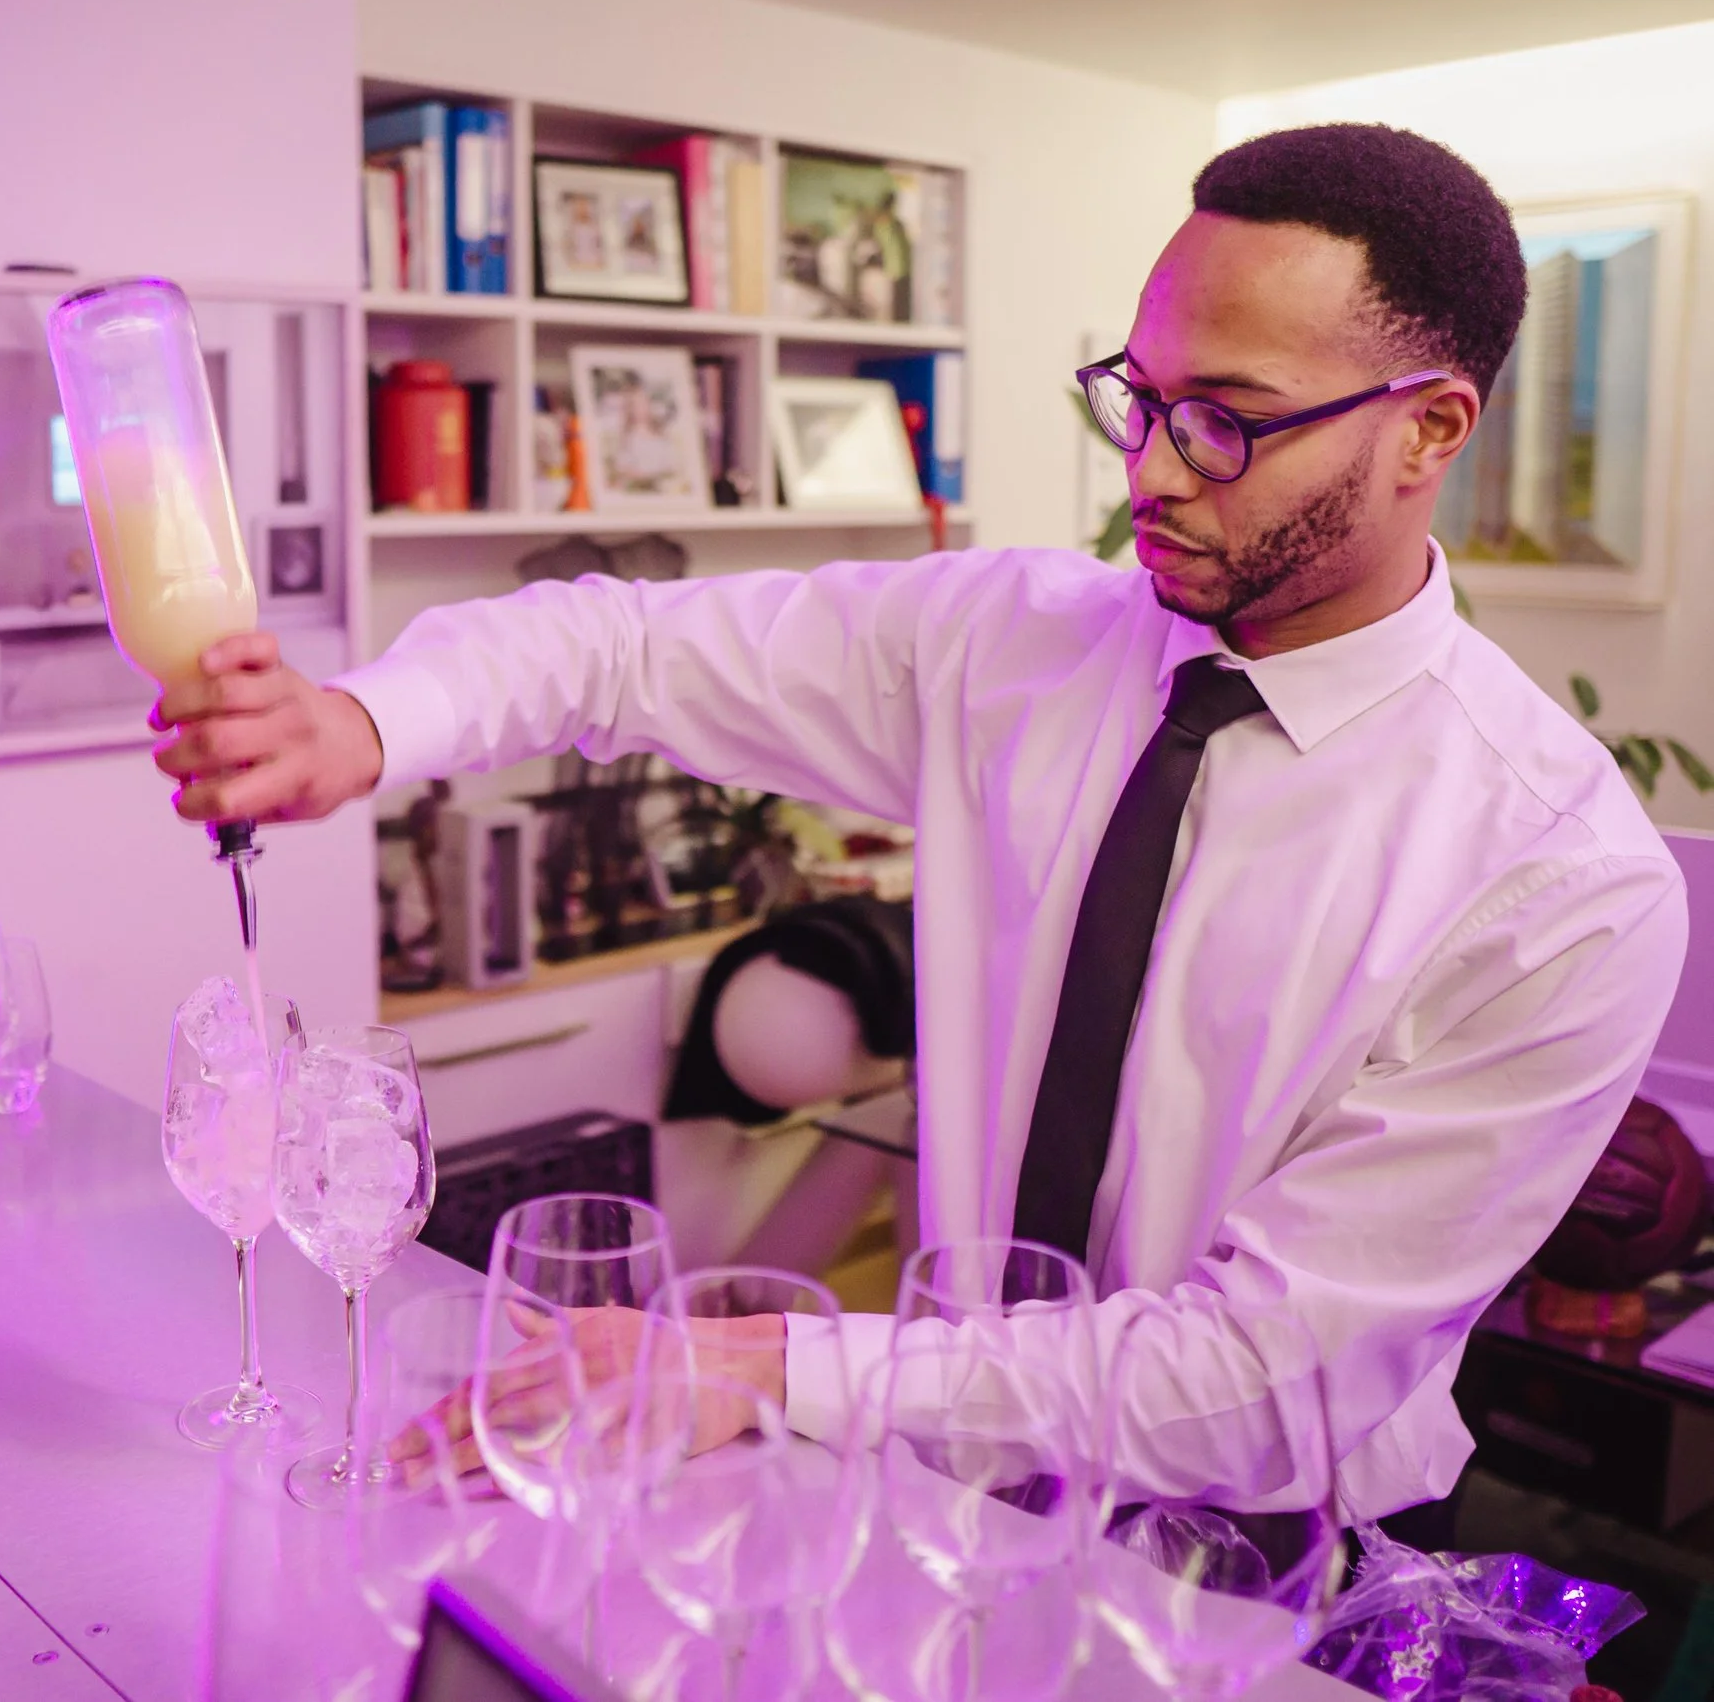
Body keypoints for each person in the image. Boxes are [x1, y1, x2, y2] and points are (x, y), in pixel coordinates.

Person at [149, 124, 1688, 1532]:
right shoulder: (1005, 644)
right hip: (946, 1495)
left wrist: (765, 1366)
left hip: (1266, 1571)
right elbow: (618, 647)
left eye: (1227, 421)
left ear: (1429, 429)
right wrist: (358, 725)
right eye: (1141, 397)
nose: (1152, 469)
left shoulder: (1556, 877)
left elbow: (1261, 1380)